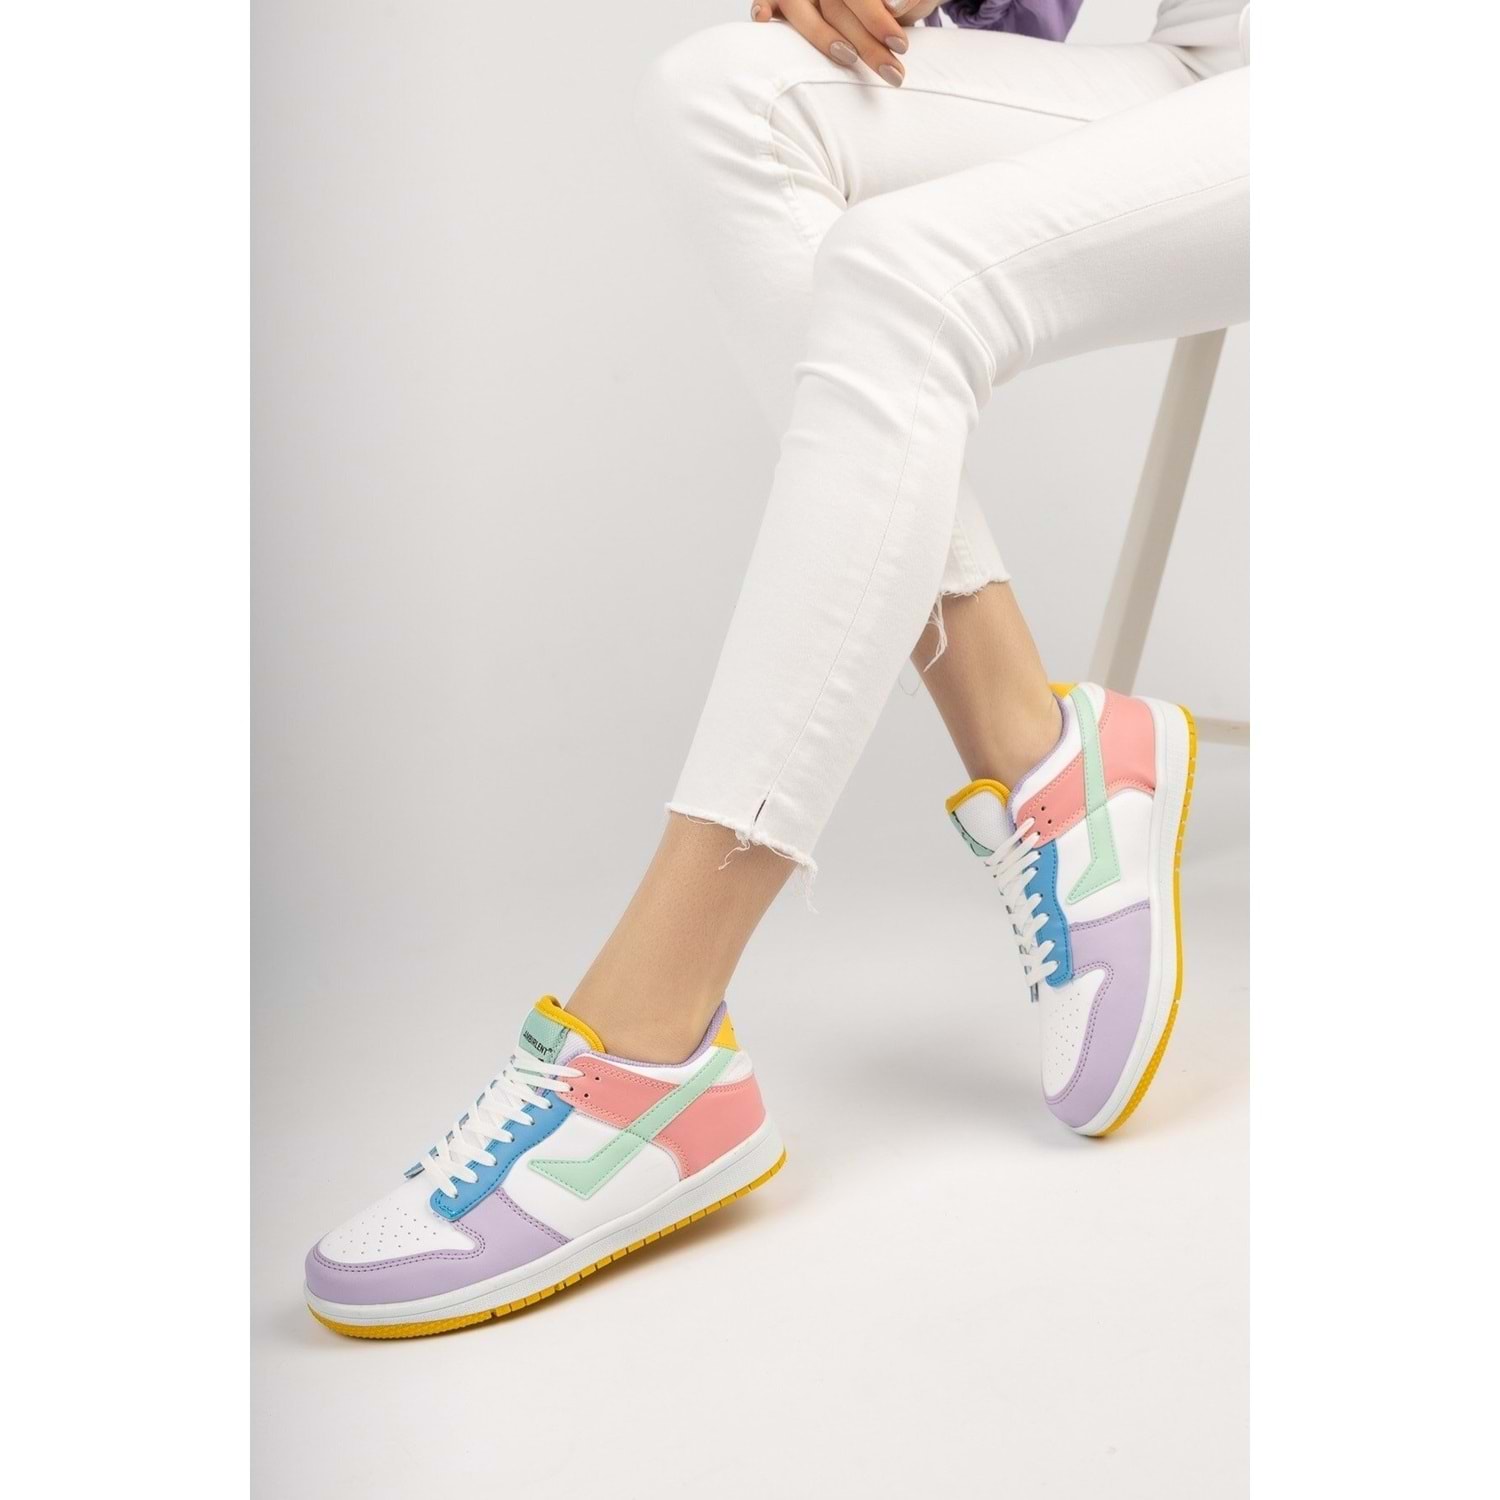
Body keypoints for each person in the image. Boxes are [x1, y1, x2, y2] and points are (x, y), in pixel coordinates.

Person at [303, 0, 1249, 1337]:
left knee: (908, 272)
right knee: (721, 98)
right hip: (1219, 63)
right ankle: (1034, 748)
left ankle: (650, 1042)